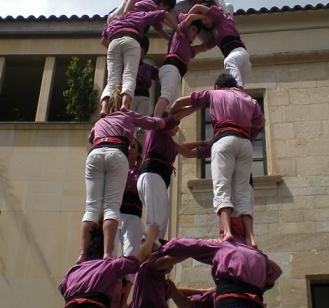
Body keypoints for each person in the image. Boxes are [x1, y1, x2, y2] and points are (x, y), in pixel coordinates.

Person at [170, 73, 264, 247]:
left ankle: (227, 231)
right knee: (243, 190)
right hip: (244, 144)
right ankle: (251, 237)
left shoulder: (214, 94)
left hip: (224, 140)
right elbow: (259, 123)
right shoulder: (249, 99)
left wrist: (171, 115)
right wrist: (249, 136)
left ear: (217, 86)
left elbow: (180, 102)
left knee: (222, 187)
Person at [78, 90, 171, 264]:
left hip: (96, 152)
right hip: (115, 153)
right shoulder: (127, 114)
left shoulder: (102, 120)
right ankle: (107, 253)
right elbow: (153, 122)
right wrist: (167, 121)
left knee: (91, 208)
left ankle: (83, 253)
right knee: (111, 208)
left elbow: (91, 137)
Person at [100, 0, 179, 113]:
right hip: (131, 38)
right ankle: (124, 105)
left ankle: (104, 109)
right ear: (163, 4)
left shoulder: (117, 21)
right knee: (129, 76)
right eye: (166, 6)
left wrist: (169, 39)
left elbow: (159, 28)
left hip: (114, 39)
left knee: (112, 79)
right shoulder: (143, 13)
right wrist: (178, 30)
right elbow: (164, 15)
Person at [137, 114, 207, 246]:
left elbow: (186, 151)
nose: (177, 127)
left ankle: (153, 244)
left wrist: (205, 144)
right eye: (176, 124)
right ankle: (149, 246)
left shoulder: (167, 141)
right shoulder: (157, 131)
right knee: (156, 218)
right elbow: (184, 149)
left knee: (161, 216)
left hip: (153, 178)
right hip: (152, 176)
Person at [153, 14, 208, 117]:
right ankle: (155, 120)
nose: (195, 34)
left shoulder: (189, 49)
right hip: (171, 68)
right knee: (166, 95)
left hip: (176, 73)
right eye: (193, 29)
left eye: (197, 32)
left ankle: (162, 124)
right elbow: (191, 17)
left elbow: (204, 47)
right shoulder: (180, 35)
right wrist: (205, 16)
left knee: (170, 105)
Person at [184, 3, 251, 87]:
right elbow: (204, 47)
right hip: (242, 62)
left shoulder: (220, 18)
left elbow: (197, 7)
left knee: (229, 62)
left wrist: (186, 16)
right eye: (202, 20)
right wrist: (185, 49)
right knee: (234, 87)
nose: (204, 21)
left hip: (238, 52)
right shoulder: (215, 36)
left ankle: (238, 89)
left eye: (204, 16)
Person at [131, 36, 159, 117]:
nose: (139, 54)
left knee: (142, 119)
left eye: (141, 52)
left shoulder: (148, 68)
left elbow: (160, 73)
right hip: (130, 95)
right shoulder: (126, 66)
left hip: (144, 96)